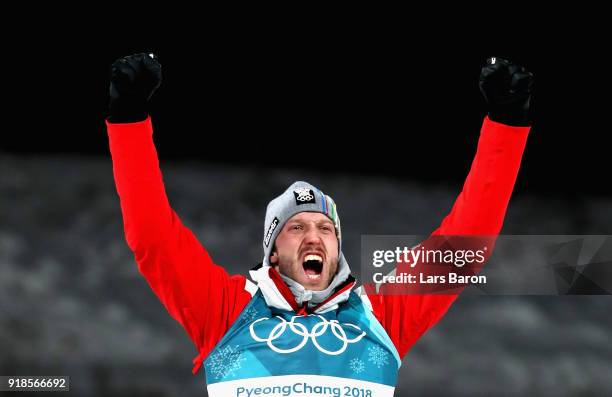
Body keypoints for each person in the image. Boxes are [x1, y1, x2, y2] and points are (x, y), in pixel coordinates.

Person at [106, 53, 533, 396]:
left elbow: (462, 248)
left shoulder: (381, 317)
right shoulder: (224, 311)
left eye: (325, 228)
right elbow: (152, 237)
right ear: (272, 250)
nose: (313, 235)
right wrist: (128, 120)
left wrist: (507, 123)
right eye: (296, 227)